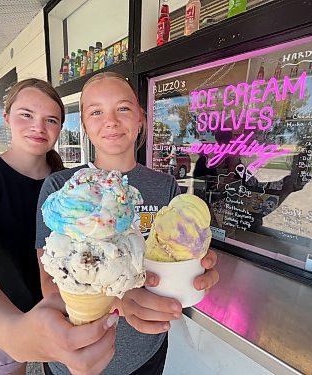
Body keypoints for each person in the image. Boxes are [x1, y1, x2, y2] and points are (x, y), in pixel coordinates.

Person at [36, 72, 219, 375]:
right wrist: (119, 301)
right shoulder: (62, 188)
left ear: (140, 120)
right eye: (96, 111)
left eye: (123, 108)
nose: (110, 120)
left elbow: (170, 261)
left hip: (146, 352)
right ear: (84, 125)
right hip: (77, 358)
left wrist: (196, 268)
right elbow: (49, 283)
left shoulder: (165, 186)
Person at [0, 78, 119, 375]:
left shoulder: (73, 186)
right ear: (6, 117)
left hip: (69, 312)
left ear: (60, 128)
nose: (38, 126)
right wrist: (17, 333)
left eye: (50, 119)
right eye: (26, 114)